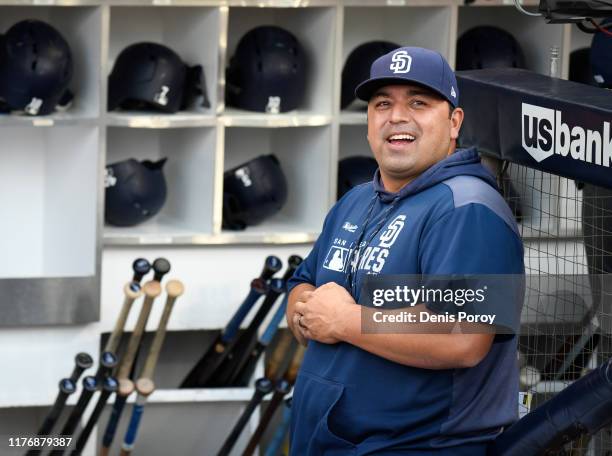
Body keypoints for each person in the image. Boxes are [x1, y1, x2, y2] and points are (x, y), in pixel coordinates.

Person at [286, 47, 525, 455]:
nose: (397, 116)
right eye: (383, 104)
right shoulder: (356, 200)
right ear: (368, 122)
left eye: (418, 102)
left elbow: (464, 338)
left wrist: (344, 321)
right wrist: (307, 310)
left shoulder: (466, 209)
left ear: (454, 123)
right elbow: (304, 284)